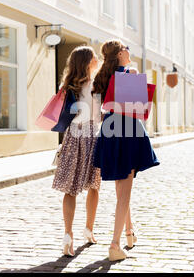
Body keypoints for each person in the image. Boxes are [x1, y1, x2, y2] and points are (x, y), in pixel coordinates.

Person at [92, 40, 160, 261]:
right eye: (127, 48)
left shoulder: (105, 77)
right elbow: (138, 108)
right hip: (128, 132)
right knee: (124, 192)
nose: (130, 50)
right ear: (120, 53)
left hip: (110, 131)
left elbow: (100, 110)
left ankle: (129, 232)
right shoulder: (129, 73)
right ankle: (114, 245)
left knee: (122, 188)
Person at [51, 46, 102, 257]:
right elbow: (98, 116)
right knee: (94, 186)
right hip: (91, 137)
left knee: (69, 189)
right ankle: (89, 229)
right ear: (88, 62)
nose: (98, 59)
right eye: (94, 57)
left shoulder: (68, 86)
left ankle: (68, 235)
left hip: (73, 138)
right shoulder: (96, 86)